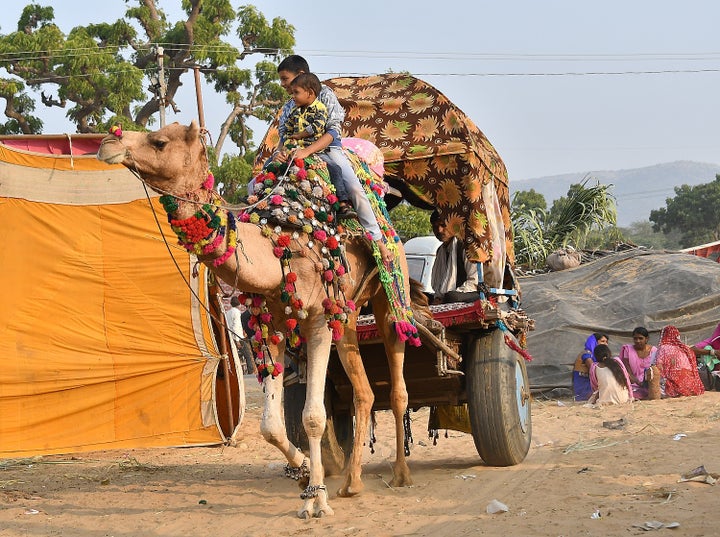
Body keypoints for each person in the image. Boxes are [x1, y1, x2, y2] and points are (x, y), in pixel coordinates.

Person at [273, 55, 392, 265]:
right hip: (295, 152)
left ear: (301, 76)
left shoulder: (326, 96)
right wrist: (281, 152)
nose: (282, 84)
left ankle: (378, 239)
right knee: (257, 184)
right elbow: (284, 137)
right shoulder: (289, 106)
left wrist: (307, 151)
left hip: (328, 150)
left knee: (354, 188)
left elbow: (333, 132)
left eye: (285, 78)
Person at [282, 73, 356, 220]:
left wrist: (300, 136)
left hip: (316, 150)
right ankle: (260, 199)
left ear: (310, 93)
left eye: (296, 92)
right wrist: (287, 143)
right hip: (295, 149)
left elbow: (317, 127)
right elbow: (287, 129)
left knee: (335, 168)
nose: (293, 96)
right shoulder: (293, 111)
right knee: (273, 168)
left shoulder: (320, 109)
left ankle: (343, 203)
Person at [429, 209, 480, 304]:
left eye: (443, 225)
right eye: (435, 227)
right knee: (420, 296)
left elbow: (473, 281)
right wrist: (438, 297)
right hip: (447, 296)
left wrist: (445, 298)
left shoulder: (465, 246)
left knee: (451, 296)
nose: (439, 230)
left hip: (467, 294)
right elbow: (437, 283)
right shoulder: (440, 250)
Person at [655, 325, 705, 398]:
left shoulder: (663, 348)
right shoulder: (686, 349)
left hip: (675, 388)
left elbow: (659, 367)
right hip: (691, 387)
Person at [618, 327, 657, 400]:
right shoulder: (628, 350)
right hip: (633, 383)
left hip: (649, 383)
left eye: (640, 338)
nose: (638, 341)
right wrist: (638, 382)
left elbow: (655, 370)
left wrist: (647, 383)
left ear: (647, 339)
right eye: (635, 338)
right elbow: (628, 371)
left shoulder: (653, 351)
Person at [572, 332, 609, 401]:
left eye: (606, 342)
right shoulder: (587, 354)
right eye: (603, 341)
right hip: (584, 384)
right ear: (594, 342)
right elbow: (593, 369)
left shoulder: (599, 356)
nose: (606, 344)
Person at [227, 296, 256, 375]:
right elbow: (236, 326)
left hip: (231, 336)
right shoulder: (236, 312)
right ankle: (251, 372)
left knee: (238, 354)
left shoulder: (228, 312)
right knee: (248, 355)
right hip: (238, 337)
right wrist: (237, 340)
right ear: (239, 304)